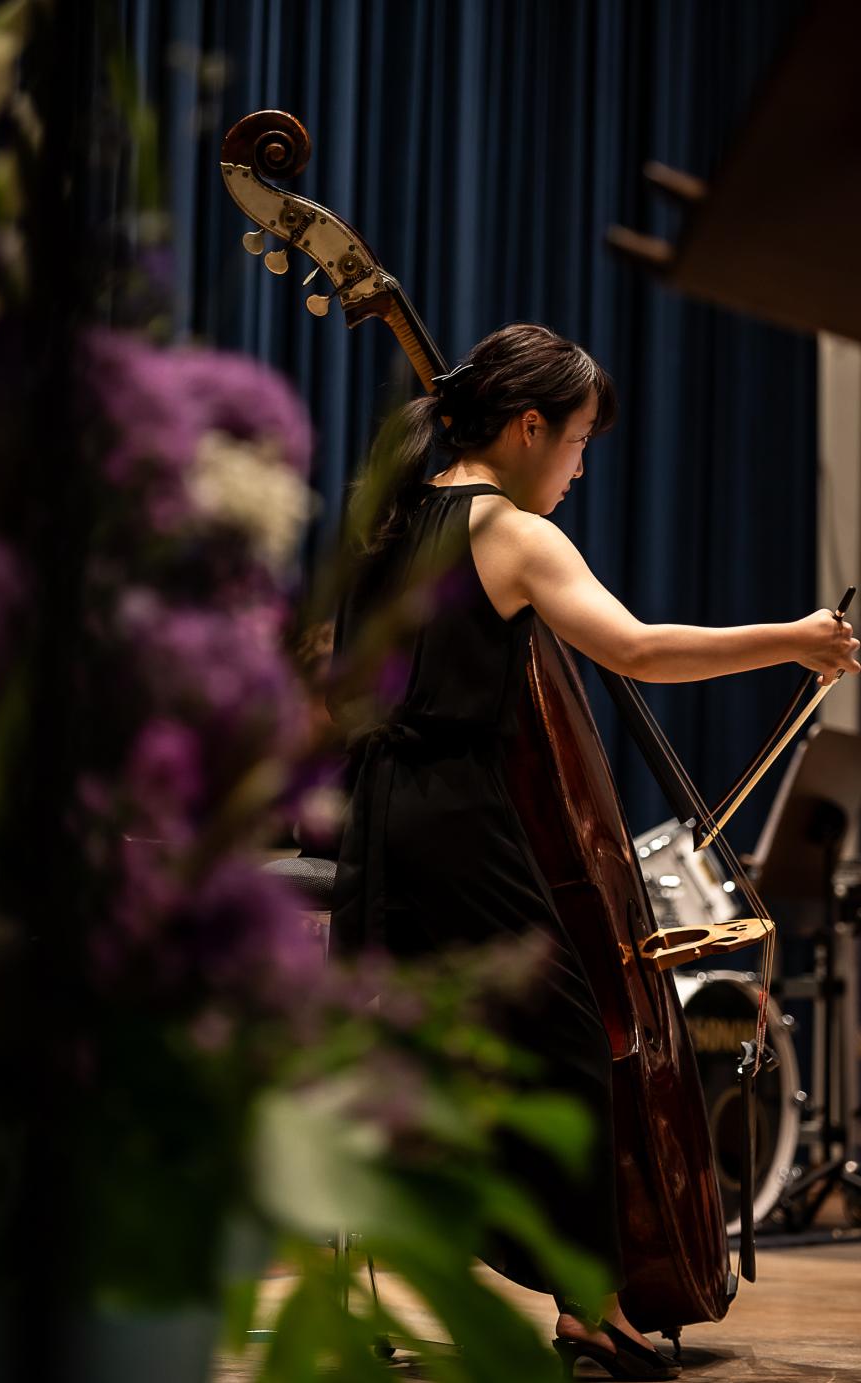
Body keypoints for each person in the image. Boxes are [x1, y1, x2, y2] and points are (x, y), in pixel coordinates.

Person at [327, 322, 859, 1381]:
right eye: (574, 443)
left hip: (378, 815)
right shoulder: (508, 530)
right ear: (527, 428)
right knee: (569, 1042)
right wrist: (794, 641)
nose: (577, 468)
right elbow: (635, 649)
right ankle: (588, 1316)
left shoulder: (391, 517)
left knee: (447, 1050)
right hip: (459, 813)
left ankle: (521, 1289)